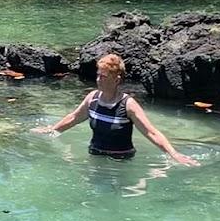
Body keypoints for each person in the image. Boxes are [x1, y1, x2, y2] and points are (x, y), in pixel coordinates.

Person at [31, 54, 200, 166]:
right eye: (98, 75)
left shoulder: (128, 104)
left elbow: (151, 132)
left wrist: (174, 154)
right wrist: (51, 130)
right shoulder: (93, 98)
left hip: (121, 163)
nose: (98, 80)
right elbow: (73, 118)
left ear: (116, 79)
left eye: (103, 76)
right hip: (95, 157)